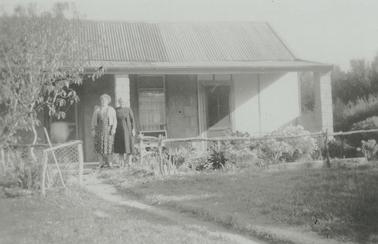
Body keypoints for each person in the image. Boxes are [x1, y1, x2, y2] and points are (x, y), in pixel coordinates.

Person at [91, 94, 117, 168]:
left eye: (105, 100)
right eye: (102, 100)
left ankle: (109, 162)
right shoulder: (97, 110)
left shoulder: (111, 109)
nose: (103, 101)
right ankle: (101, 163)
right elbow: (93, 121)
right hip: (99, 130)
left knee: (109, 146)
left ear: (108, 101)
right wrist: (93, 129)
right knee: (99, 147)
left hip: (108, 130)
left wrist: (113, 129)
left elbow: (115, 120)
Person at [114, 97, 136, 167]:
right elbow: (114, 120)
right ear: (119, 102)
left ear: (125, 102)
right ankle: (121, 162)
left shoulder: (128, 109)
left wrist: (133, 129)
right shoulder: (116, 110)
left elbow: (133, 120)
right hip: (119, 131)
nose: (121, 103)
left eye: (123, 102)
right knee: (121, 147)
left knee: (128, 146)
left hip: (128, 130)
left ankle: (129, 162)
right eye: (120, 102)